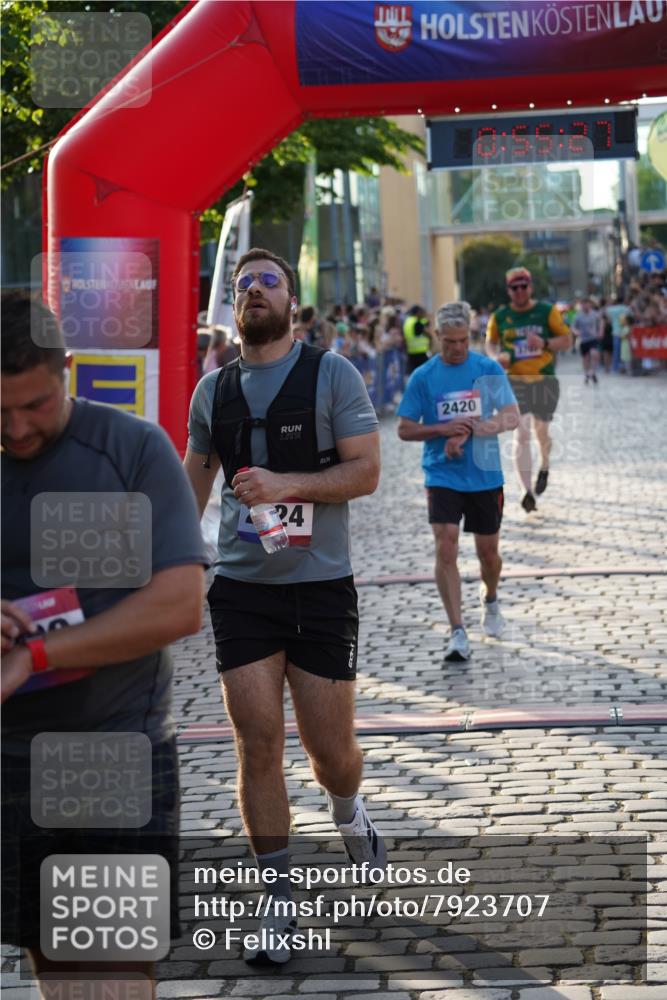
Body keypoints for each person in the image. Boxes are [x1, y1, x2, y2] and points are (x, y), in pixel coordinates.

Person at [183, 248, 386, 965]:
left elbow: (366, 471)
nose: (256, 291)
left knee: (331, 755)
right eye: (244, 285)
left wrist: (286, 486)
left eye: (269, 281)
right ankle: (278, 903)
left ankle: (347, 811)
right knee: (256, 740)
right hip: (242, 590)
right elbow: (192, 491)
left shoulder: (330, 373)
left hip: (320, 586)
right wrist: (167, 568)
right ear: (233, 308)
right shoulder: (212, 391)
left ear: (292, 302)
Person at [1, 292, 206, 996]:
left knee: (112, 975)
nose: (18, 427)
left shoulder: (131, 448)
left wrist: (37, 654)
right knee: (54, 965)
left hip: (112, 749)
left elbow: (180, 605)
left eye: (34, 403)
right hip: (6, 760)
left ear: (68, 369)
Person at [397, 301, 520, 663]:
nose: (457, 348)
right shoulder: (423, 377)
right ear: (436, 337)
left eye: (464, 340)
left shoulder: (486, 368)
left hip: (484, 474)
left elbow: (511, 416)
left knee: (488, 554)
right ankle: (457, 631)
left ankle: (491, 598)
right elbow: (404, 428)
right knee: (446, 546)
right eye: (450, 341)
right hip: (441, 473)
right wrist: (440, 429)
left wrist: (474, 430)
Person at [485, 267, 572, 513]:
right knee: (521, 434)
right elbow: (490, 342)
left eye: (524, 286)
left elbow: (567, 341)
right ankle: (526, 491)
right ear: (509, 291)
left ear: (530, 287)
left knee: (541, 432)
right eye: (515, 288)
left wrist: (544, 343)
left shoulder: (546, 311)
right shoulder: (500, 316)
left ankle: (544, 465)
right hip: (514, 382)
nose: (520, 291)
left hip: (544, 380)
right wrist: (495, 356)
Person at [572, 297, 602, 384]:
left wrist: (600, 331)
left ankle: (593, 372)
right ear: (581, 305)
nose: (586, 306)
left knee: (594, 354)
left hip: (593, 338)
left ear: (590, 305)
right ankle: (587, 374)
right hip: (583, 340)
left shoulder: (595, 314)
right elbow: (573, 327)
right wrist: (576, 332)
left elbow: (601, 321)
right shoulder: (577, 315)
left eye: (587, 304)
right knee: (586, 359)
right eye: (584, 304)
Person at [403, 305, 432, 373]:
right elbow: (428, 334)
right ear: (418, 313)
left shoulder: (408, 321)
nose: (424, 315)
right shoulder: (416, 322)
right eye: (422, 313)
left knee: (414, 373)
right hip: (420, 352)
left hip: (411, 351)